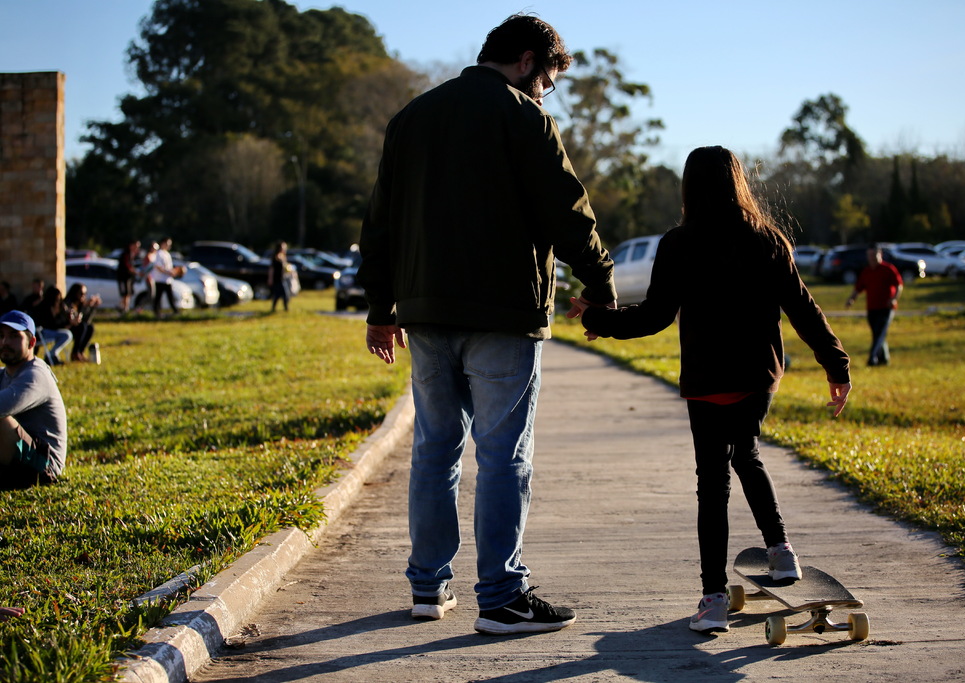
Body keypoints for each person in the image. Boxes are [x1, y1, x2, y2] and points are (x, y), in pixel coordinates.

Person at [357, 13, 616, 636]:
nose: (546, 92)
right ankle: (501, 598)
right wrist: (599, 283)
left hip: (425, 315)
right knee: (503, 458)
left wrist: (380, 308)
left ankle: (428, 587)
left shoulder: (411, 118)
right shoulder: (523, 116)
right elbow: (567, 210)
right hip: (502, 312)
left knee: (434, 449)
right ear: (528, 61)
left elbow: (380, 223)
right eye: (548, 80)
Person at [577, 146, 851, 635]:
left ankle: (713, 600)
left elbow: (654, 317)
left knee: (712, 483)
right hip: (757, 379)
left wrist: (597, 317)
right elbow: (804, 309)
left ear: (689, 188)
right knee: (746, 452)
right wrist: (836, 365)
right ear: (737, 183)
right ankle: (782, 551)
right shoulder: (769, 241)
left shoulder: (680, 243)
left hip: (707, 384)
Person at [0, 310, 68, 490]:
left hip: (44, 466)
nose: (5, 342)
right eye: (1, 336)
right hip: (19, 456)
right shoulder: (4, 375)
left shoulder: (36, 375)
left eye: (14, 336)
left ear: (31, 342)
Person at [845, 244, 903, 366]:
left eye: (874, 255)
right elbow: (858, 288)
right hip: (872, 308)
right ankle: (884, 358)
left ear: (880, 254)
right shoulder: (867, 271)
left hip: (886, 308)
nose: (872, 258)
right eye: (869, 255)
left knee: (880, 332)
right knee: (877, 333)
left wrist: (893, 299)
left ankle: (872, 358)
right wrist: (851, 299)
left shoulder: (888, 269)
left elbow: (899, 286)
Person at [27, 286, 74, 366]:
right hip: (42, 332)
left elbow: (59, 323)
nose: (58, 300)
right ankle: (51, 355)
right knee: (67, 334)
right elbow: (50, 324)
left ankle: (52, 354)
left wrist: (68, 318)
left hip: (52, 331)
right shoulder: (44, 307)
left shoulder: (60, 307)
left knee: (67, 334)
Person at [64, 283, 101, 362]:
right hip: (67, 327)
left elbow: (86, 320)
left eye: (85, 294)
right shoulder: (68, 304)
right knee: (83, 327)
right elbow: (70, 321)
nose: (83, 296)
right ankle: (75, 353)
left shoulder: (80, 305)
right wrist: (85, 307)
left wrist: (92, 307)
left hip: (77, 328)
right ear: (75, 293)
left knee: (90, 327)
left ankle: (80, 351)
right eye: (81, 293)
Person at [151, 237, 178, 317]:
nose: (169, 246)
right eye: (167, 244)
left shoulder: (167, 254)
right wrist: (168, 272)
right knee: (158, 297)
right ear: (163, 243)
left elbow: (168, 267)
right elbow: (158, 267)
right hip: (160, 279)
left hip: (167, 279)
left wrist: (174, 271)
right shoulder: (159, 253)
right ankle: (157, 312)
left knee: (170, 296)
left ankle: (175, 311)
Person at [117, 240, 141, 314]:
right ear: (131, 245)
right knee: (126, 294)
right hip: (124, 277)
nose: (137, 248)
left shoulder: (131, 254)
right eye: (136, 246)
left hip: (128, 277)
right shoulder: (126, 254)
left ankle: (123, 307)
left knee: (128, 293)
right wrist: (137, 272)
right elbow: (128, 266)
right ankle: (124, 309)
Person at [268, 241, 290, 312]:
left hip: (283, 278)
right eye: (283, 247)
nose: (284, 249)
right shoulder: (275, 257)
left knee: (279, 294)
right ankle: (285, 308)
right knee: (284, 294)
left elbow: (285, 267)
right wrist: (270, 279)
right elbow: (271, 269)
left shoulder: (283, 256)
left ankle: (276, 308)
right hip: (277, 278)